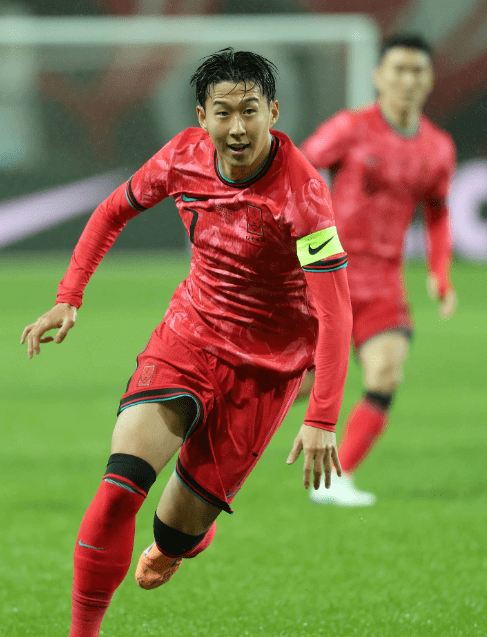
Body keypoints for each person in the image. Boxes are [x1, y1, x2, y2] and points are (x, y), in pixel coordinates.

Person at [21, 48, 352, 637]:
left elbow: (336, 312)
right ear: (202, 117)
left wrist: (322, 417)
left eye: (250, 111)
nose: (237, 127)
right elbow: (112, 211)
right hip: (189, 337)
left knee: (174, 533)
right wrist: (69, 294)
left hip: (266, 370)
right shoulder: (182, 156)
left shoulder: (303, 194)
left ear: (273, 112)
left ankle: (180, 542)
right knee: (119, 488)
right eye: (223, 113)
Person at [298, 34, 457, 507]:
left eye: (417, 70)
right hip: (328, 273)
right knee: (296, 383)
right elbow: (300, 168)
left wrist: (440, 273)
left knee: (386, 373)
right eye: (398, 69)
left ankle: (334, 481)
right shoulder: (350, 128)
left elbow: (438, 212)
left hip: (384, 281)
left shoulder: (438, 148)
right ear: (378, 76)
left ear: (429, 79)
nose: (408, 80)